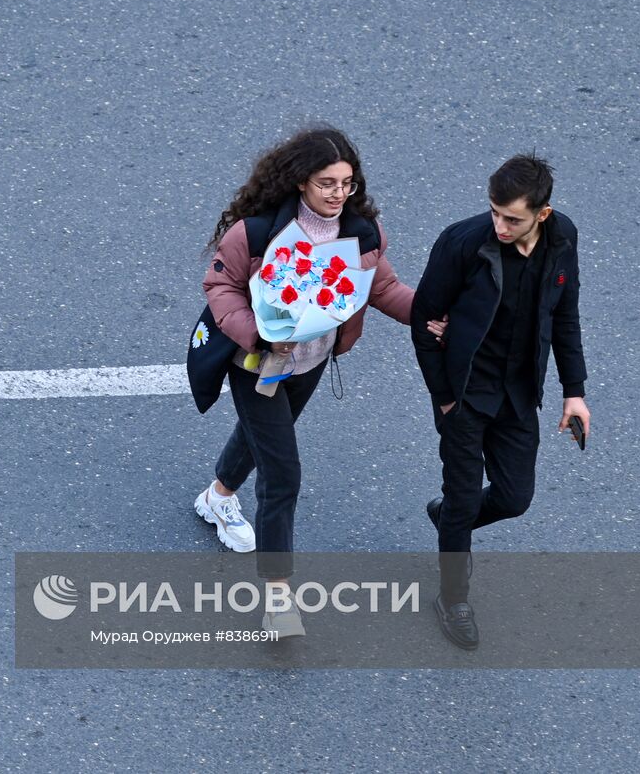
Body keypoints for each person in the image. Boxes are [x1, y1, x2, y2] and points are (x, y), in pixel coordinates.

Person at [197, 125, 445, 637]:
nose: (338, 194)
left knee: (265, 436)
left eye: (346, 183)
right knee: (282, 473)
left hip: (309, 363)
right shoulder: (255, 233)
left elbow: (384, 288)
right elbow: (221, 286)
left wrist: (431, 316)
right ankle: (277, 598)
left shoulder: (362, 233)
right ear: (300, 182)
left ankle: (218, 495)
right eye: (326, 183)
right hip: (256, 363)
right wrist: (260, 336)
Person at [410, 154, 590, 650]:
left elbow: (566, 315)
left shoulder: (562, 237)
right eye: (494, 212)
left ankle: (450, 519)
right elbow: (423, 321)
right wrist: (445, 400)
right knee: (464, 496)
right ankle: (453, 599)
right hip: (466, 393)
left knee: (514, 498)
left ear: (542, 214)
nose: (500, 226)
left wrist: (574, 392)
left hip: (518, 392)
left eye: (512, 218)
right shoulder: (462, 242)